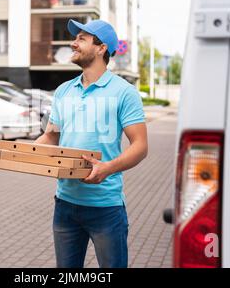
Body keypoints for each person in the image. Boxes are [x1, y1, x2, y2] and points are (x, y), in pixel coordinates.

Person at [35, 19, 148, 268]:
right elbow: (51, 136)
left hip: (105, 207)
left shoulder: (123, 92)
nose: (73, 43)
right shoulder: (64, 91)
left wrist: (107, 168)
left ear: (101, 48)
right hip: (64, 204)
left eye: (82, 39)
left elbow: (140, 146)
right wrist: (25, 154)